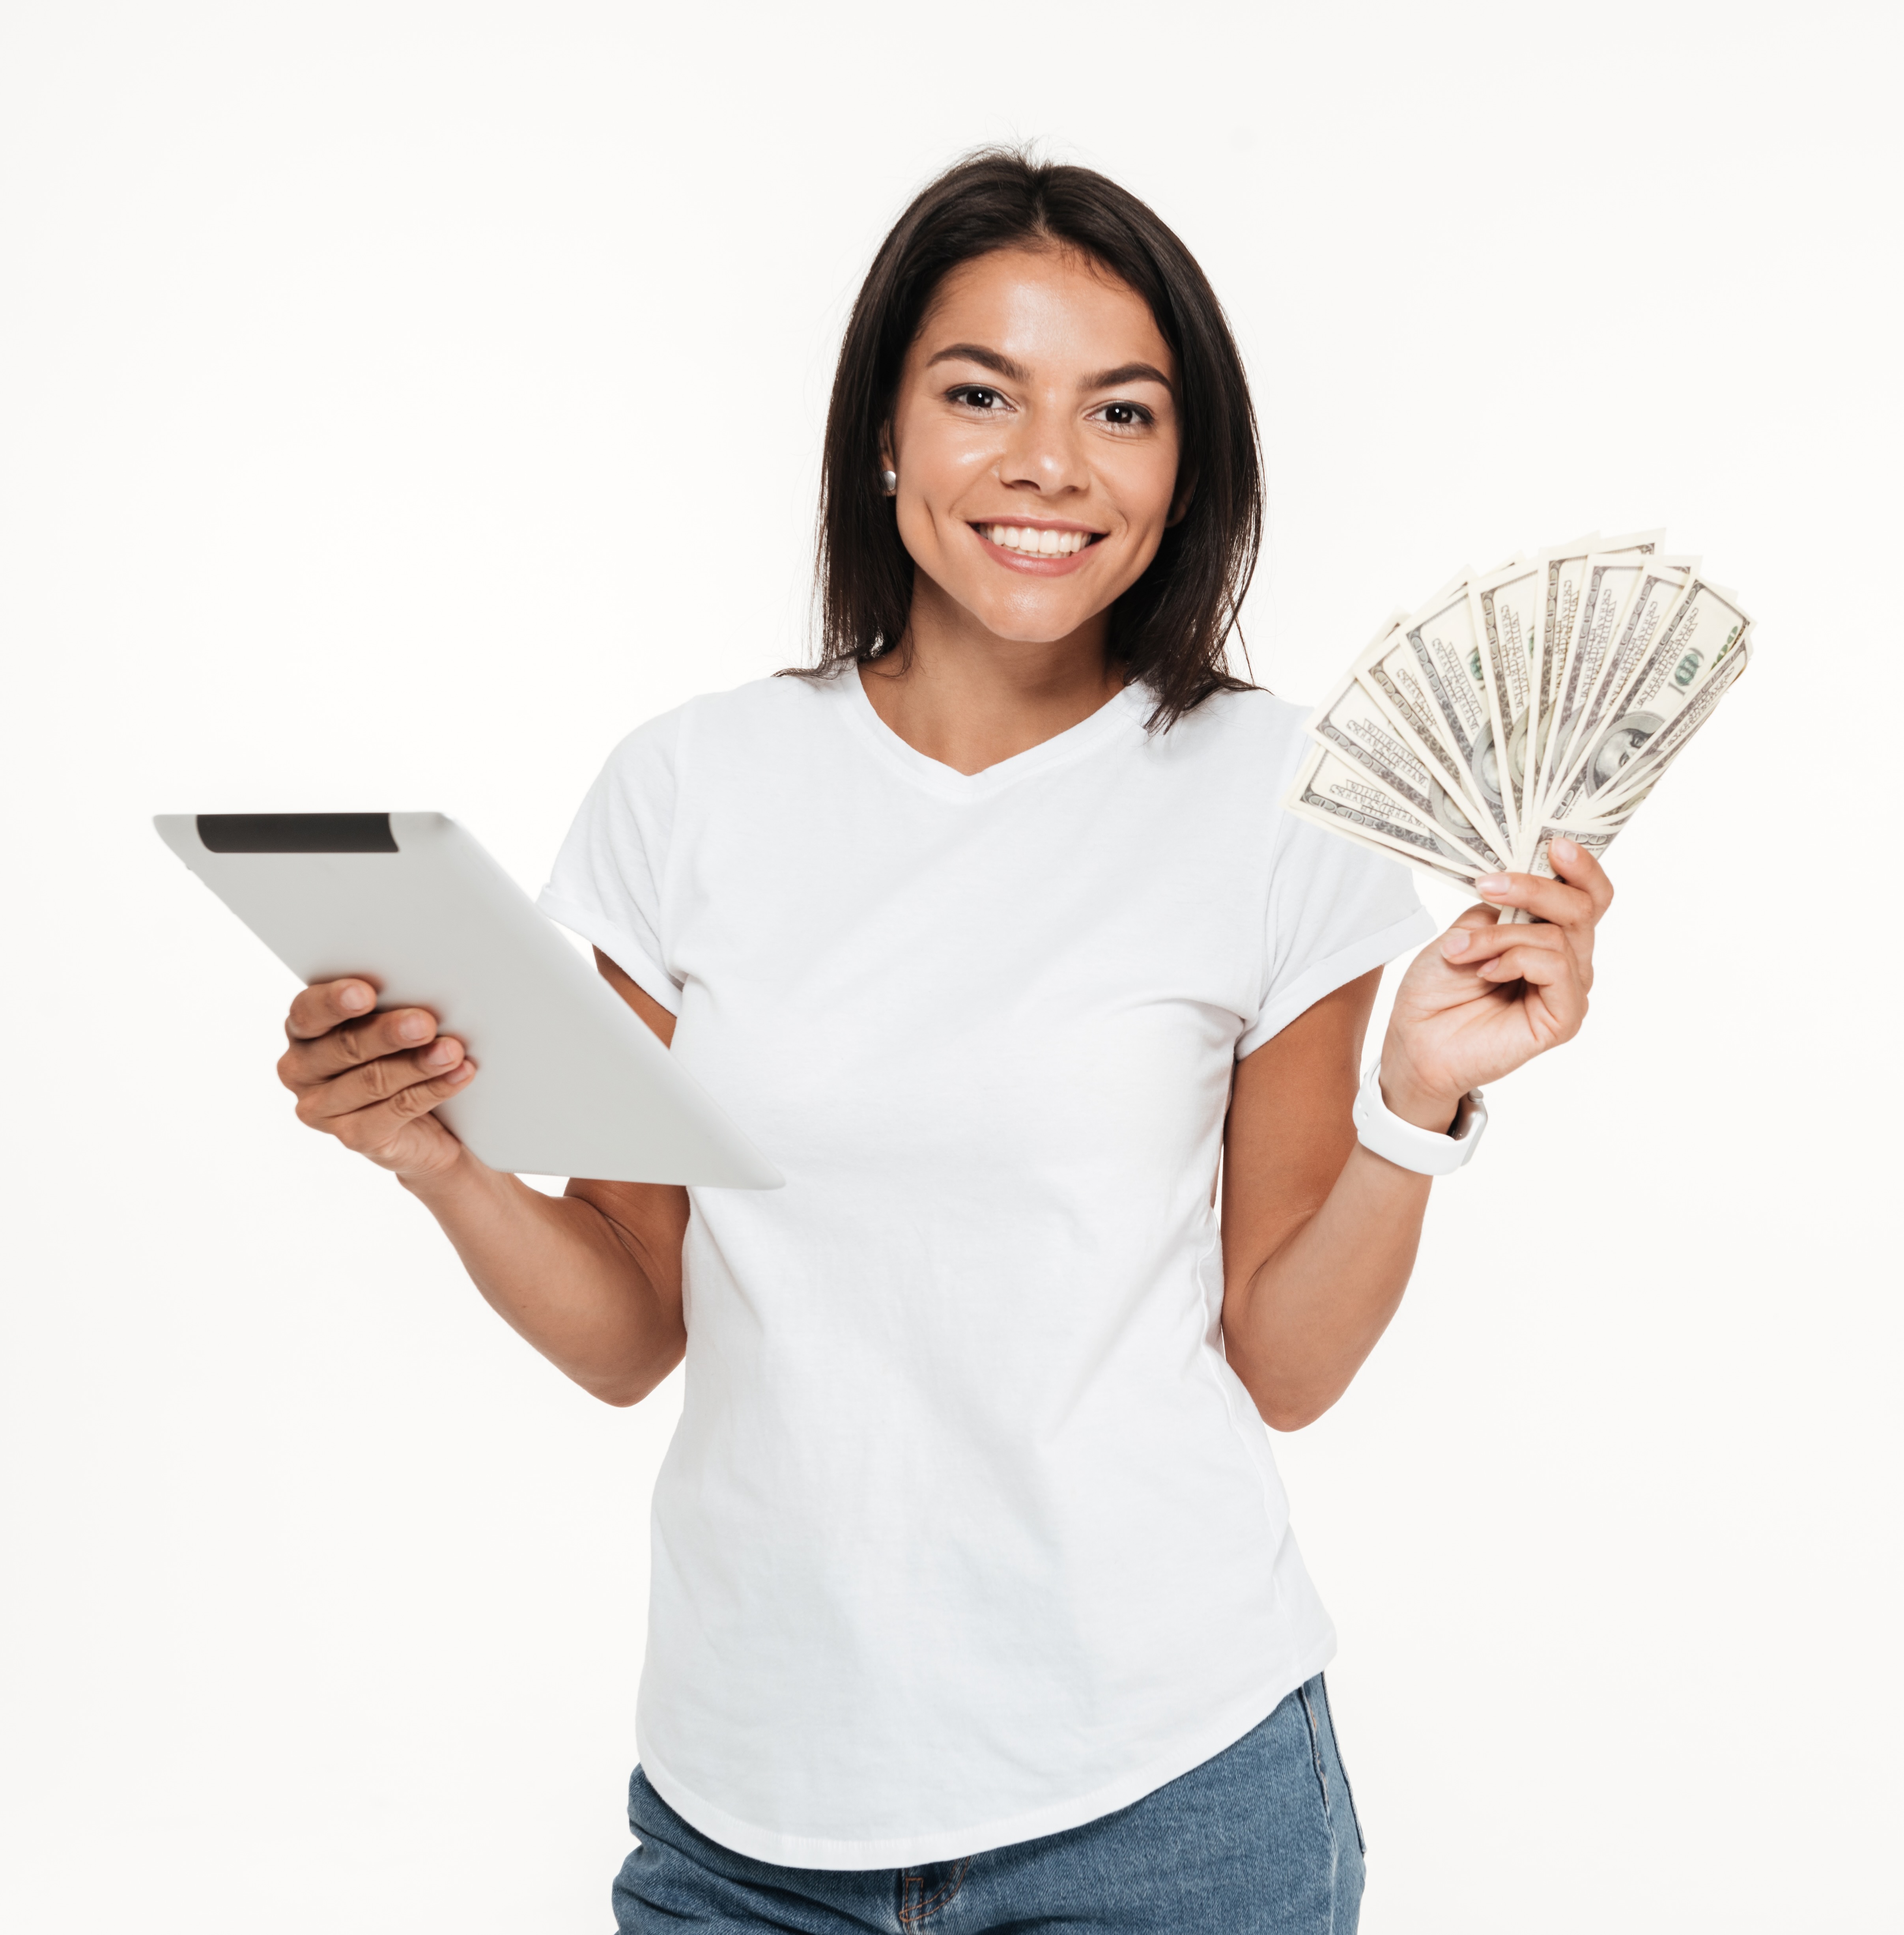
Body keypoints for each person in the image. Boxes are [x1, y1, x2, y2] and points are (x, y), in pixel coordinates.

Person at [275, 151, 1610, 1933]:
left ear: (1183, 464)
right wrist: (434, 1158)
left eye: (1119, 411)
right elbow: (628, 1331)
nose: (1046, 464)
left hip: (1165, 1796)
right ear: (883, 435)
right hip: (745, 1814)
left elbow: (1282, 1363)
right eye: (980, 393)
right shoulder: (691, 789)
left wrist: (1416, 1101)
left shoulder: (1277, 801)